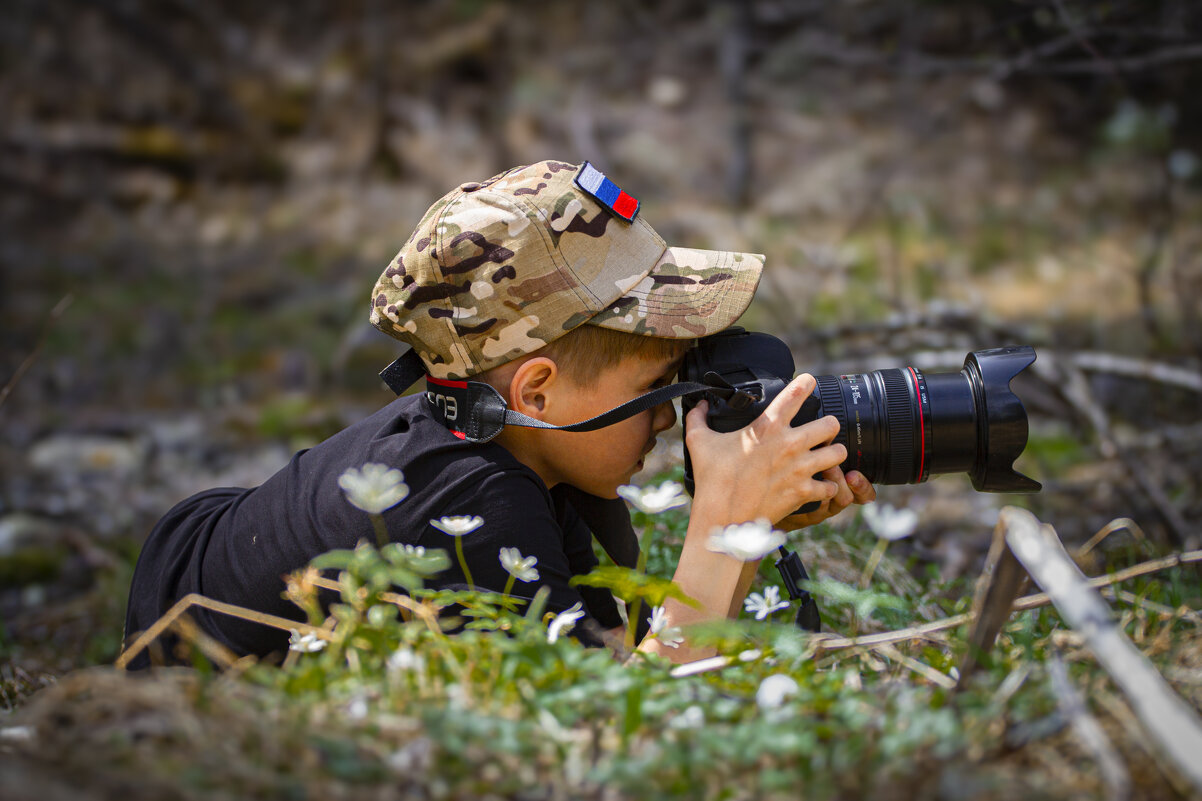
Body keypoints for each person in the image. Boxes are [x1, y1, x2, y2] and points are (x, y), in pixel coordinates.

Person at [123, 159, 875, 668]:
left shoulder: (523, 458)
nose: (670, 416)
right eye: (659, 382)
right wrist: (720, 528)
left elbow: (613, 655)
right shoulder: (472, 501)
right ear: (537, 393)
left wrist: (746, 536)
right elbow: (624, 727)